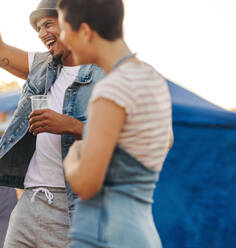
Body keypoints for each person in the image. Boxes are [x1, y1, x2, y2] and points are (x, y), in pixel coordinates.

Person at [0, 0, 105, 247]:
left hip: (74, 210)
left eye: (48, 24)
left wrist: (71, 126)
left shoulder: (107, 73)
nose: (41, 33)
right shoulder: (40, 65)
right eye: (37, 28)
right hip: (30, 203)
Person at [57, 0, 173, 247]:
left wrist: (72, 159)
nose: (63, 39)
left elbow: (87, 185)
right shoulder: (152, 78)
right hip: (141, 233)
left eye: (64, 29)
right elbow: (167, 141)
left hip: (103, 235)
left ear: (86, 32)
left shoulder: (112, 88)